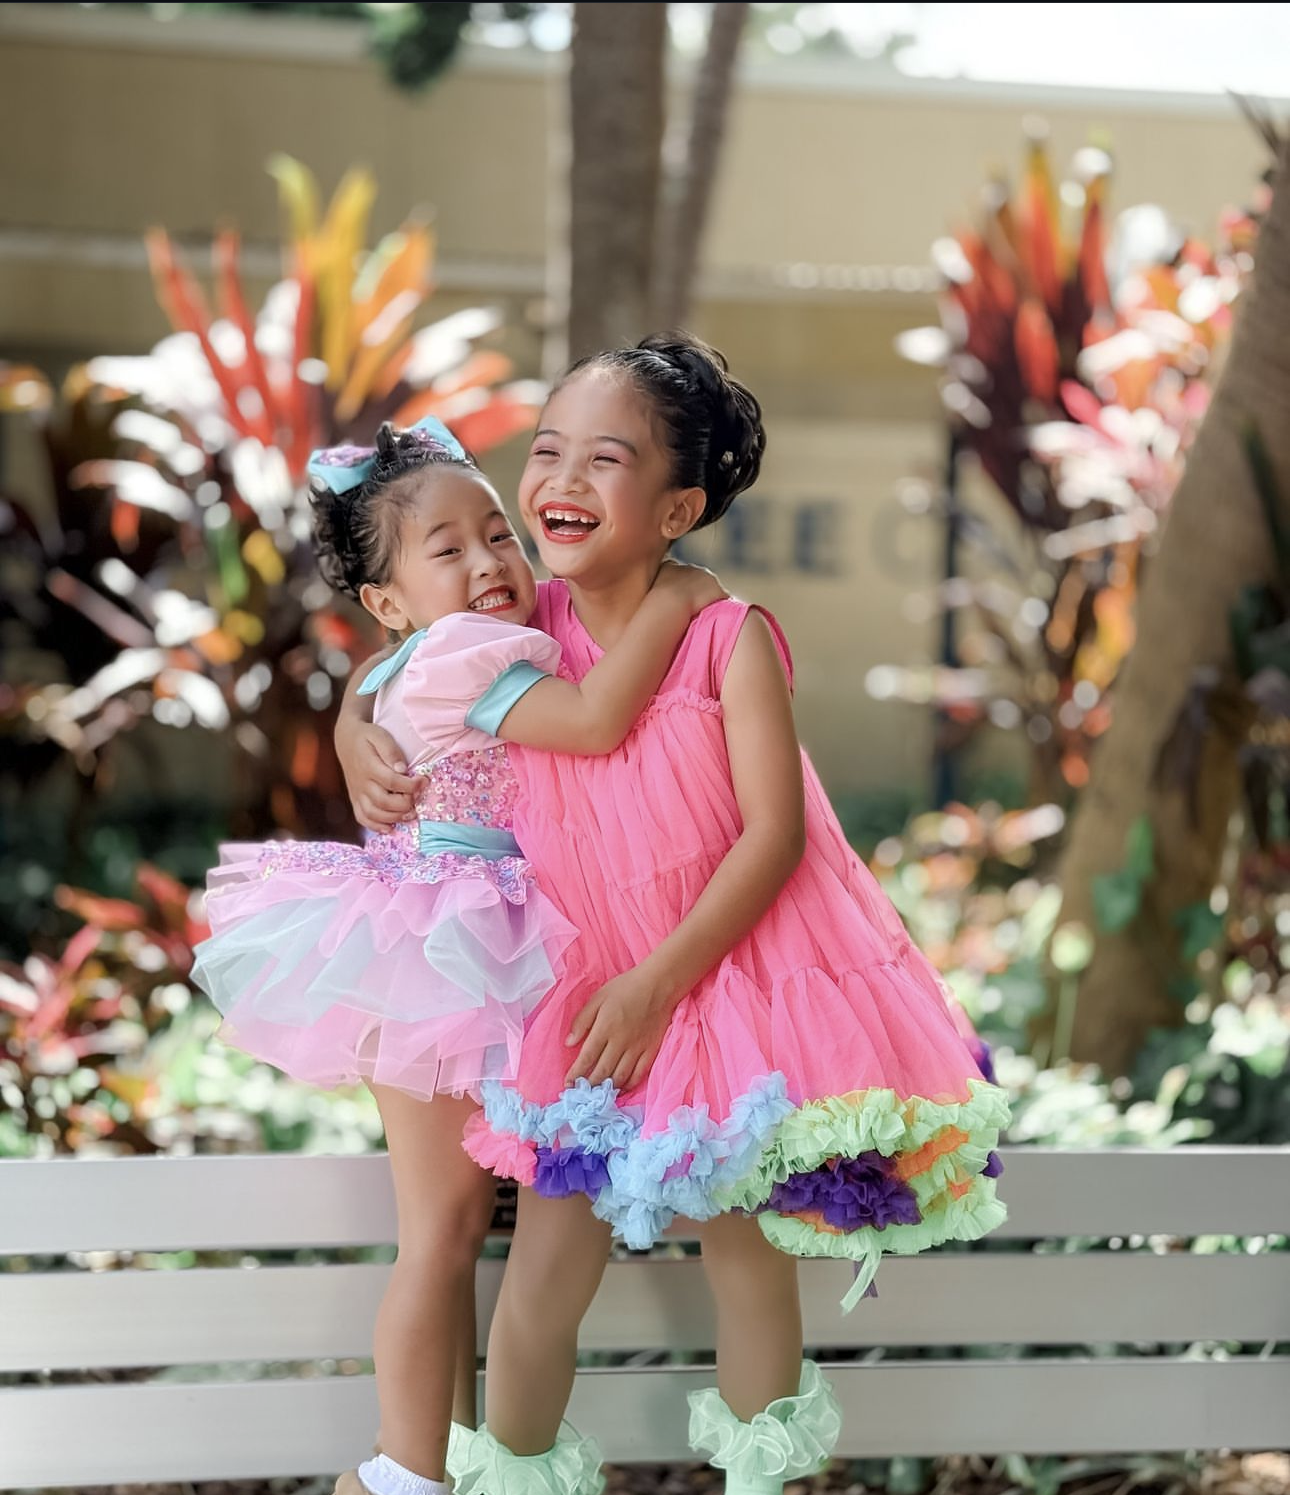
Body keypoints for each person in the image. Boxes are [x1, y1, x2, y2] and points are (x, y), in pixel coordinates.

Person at [339, 341, 1009, 1495]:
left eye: (609, 460)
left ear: (679, 506)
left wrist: (661, 985)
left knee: (744, 1258)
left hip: (718, 986)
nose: (562, 481)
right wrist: (359, 725)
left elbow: (776, 836)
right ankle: (514, 1481)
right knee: (546, 1270)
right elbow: (413, 655)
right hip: (585, 995)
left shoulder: (727, 632)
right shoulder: (523, 618)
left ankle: (767, 1481)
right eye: (548, 452)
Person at [193, 415, 725, 1495]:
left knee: (461, 1229)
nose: (490, 561)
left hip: (480, 944)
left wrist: (351, 712)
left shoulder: (423, 653)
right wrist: (677, 597)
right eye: (450, 549)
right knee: (441, 1230)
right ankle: (398, 1471)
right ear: (387, 602)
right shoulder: (467, 653)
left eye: (499, 534)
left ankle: (447, 1460)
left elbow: (399, 679)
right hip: (447, 949)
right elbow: (587, 719)